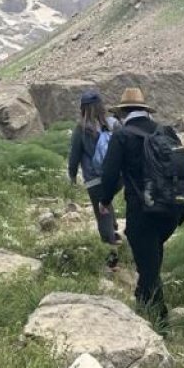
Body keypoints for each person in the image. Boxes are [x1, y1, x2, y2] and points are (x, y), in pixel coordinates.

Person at [93, 88, 184, 325]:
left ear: (122, 113)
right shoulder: (165, 131)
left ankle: (159, 323)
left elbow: (109, 174)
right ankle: (144, 305)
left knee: (148, 270)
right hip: (173, 209)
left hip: (143, 211)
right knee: (151, 258)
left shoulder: (122, 136)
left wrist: (105, 200)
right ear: (144, 111)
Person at [68, 91, 121, 258]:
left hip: (95, 180)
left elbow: (74, 156)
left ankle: (111, 255)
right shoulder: (112, 124)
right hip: (116, 177)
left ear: (82, 108)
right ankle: (115, 230)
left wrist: (72, 176)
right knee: (107, 200)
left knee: (102, 213)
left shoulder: (82, 129)